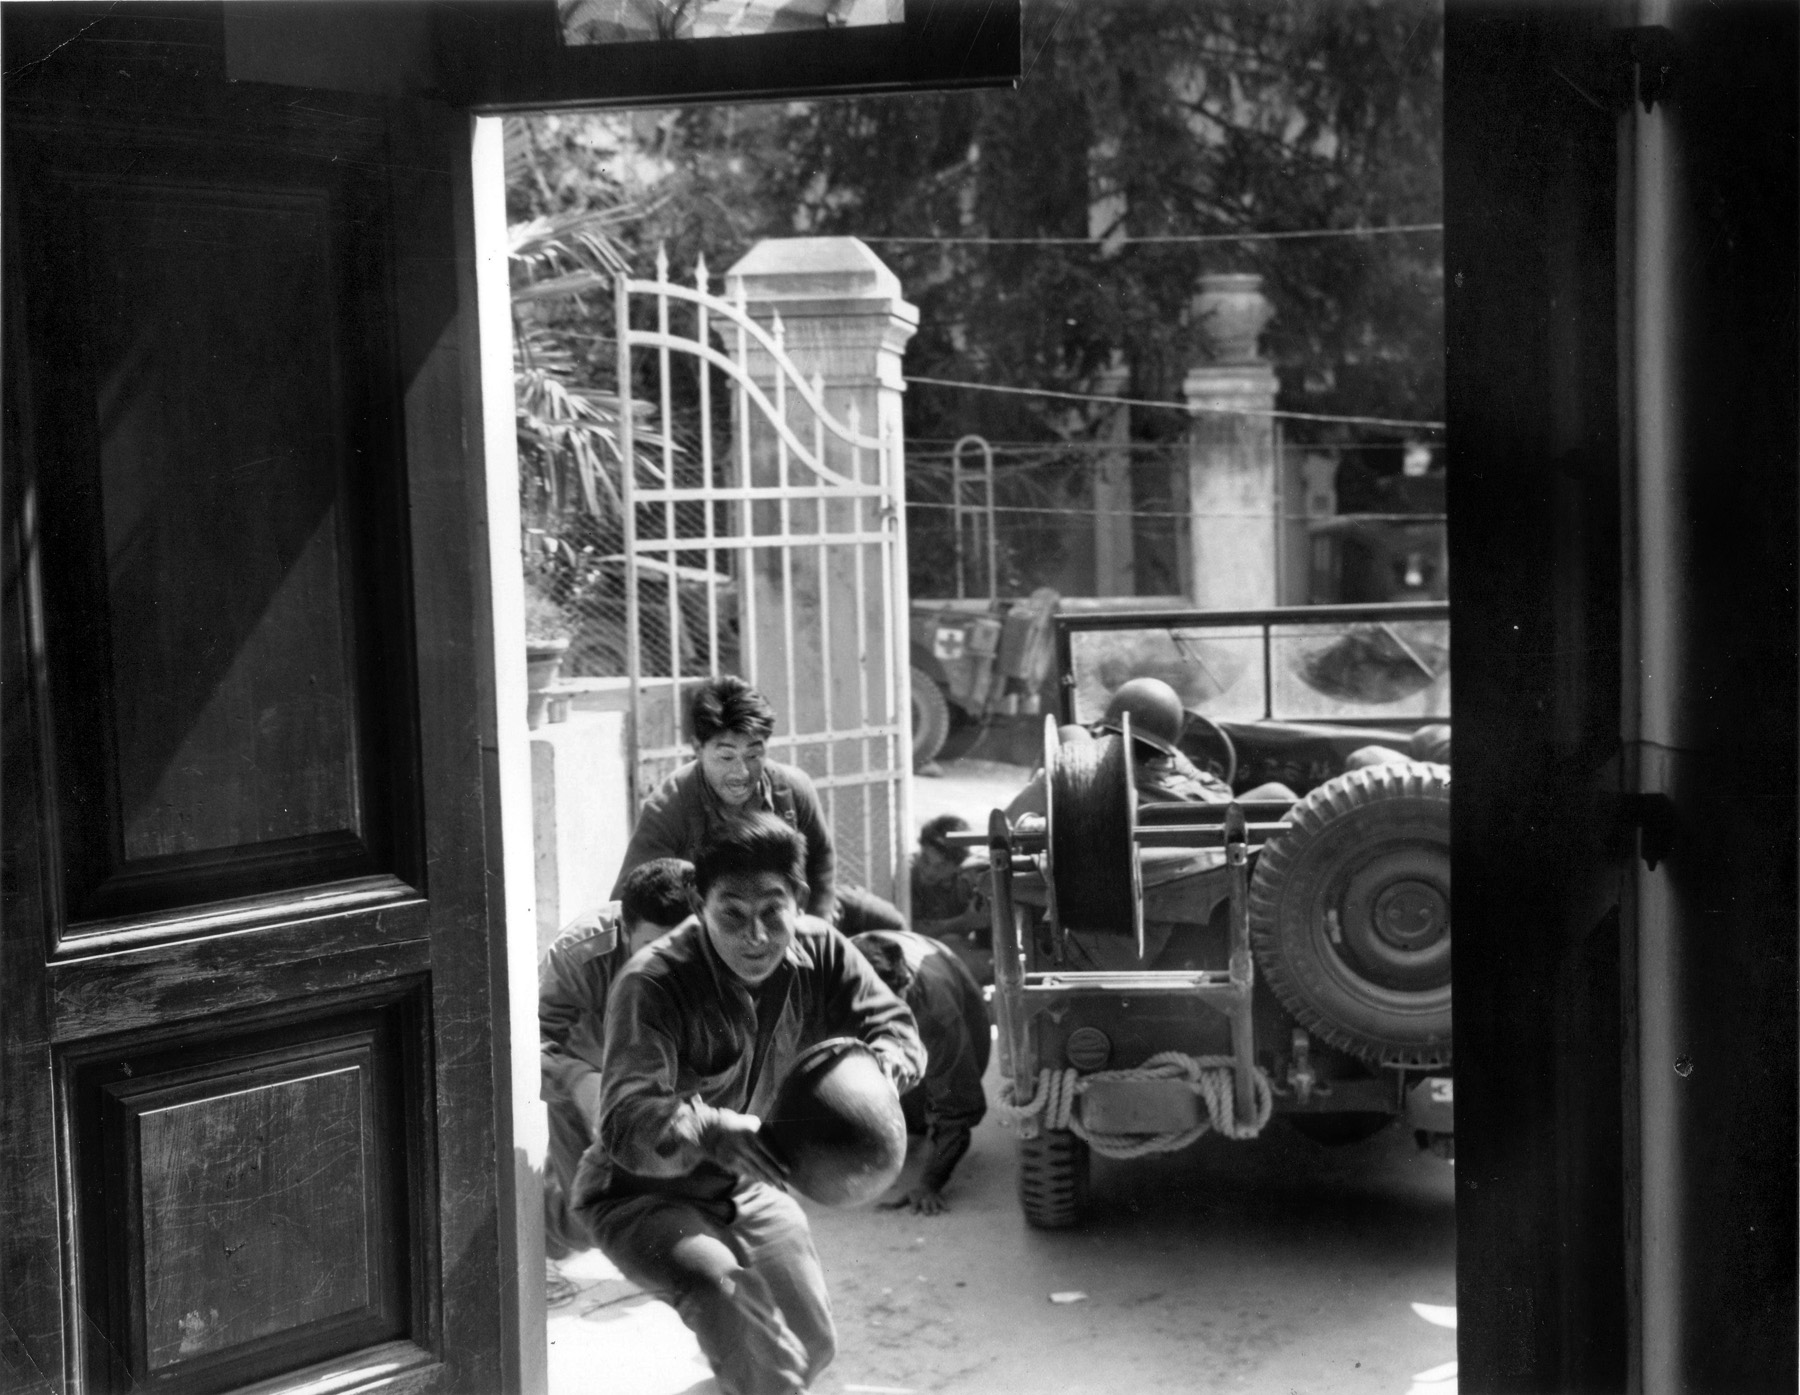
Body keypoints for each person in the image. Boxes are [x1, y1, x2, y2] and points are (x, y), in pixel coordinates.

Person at [572, 814, 926, 1395]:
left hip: (751, 1182)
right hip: (640, 1193)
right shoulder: (651, 982)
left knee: (809, 1347)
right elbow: (626, 1119)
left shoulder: (824, 951)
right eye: (731, 915)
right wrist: (706, 1128)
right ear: (696, 900)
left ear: (800, 898)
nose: (755, 938)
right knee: (734, 1310)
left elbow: (894, 1027)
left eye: (773, 912)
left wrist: (878, 1071)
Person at [539, 859, 695, 1267]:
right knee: (587, 1218)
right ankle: (527, 1240)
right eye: (654, 949)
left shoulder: (725, 942)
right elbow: (523, 1047)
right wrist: (577, 1080)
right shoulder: (579, 956)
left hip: (667, 1079)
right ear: (625, 933)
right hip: (585, 1079)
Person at [612, 675, 837, 921]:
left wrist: (816, 928)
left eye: (754, 755)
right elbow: (629, 899)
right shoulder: (669, 807)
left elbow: (821, 857)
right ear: (697, 748)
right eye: (726, 757)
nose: (741, 773)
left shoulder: (794, 789)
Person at [1003, 676, 1297, 821]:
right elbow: (1223, 792)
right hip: (1205, 860)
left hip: (1122, 866)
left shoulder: (1084, 779)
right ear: (1166, 748)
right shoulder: (1186, 789)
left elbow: (1010, 821)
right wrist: (1180, 767)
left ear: (1108, 731)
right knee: (1279, 795)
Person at [849, 928, 990, 1215]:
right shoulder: (820, 988)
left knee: (940, 1097)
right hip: (865, 951)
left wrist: (930, 1182)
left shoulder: (936, 1013)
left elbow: (956, 1108)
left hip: (939, 961)